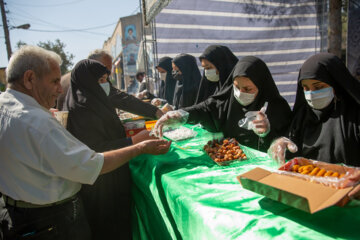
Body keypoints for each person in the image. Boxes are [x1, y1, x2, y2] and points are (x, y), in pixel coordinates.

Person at [0, 46, 171, 239]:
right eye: (55, 81)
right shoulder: (37, 122)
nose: (59, 89)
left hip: (15, 214)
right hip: (49, 221)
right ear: (30, 79)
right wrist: (138, 146)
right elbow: (92, 164)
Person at [64, 59, 156, 239]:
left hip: (111, 176)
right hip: (102, 186)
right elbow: (94, 151)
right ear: (88, 81)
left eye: (106, 79)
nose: (105, 85)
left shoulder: (93, 98)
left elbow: (122, 99)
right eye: (100, 80)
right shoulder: (82, 108)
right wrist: (133, 142)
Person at [155, 56, 292, 152]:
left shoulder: (278, 108)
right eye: (236, 87)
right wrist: (181, 114)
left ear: (261, 85)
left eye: (248, 89)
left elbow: (286, 144)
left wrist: (267, 133)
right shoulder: (226, 99)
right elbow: (205, 108)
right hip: (229, 161)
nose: (240, 93)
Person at [269, 53, 360, 167]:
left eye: (318, 87)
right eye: (306, 88)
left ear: (335, 83)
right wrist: (281, 144)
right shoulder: (302, 116)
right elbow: (292, 152)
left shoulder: (354, 117)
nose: (311, 94)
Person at [56, 49, 163, 119]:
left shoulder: (73, 76)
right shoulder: (91, 80)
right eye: (106, 68)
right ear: (93, 64)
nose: (108, 73)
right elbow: (120, 99)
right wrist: (155, 112)